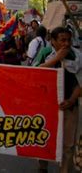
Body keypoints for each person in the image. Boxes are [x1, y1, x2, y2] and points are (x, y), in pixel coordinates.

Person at [33, 27, 81, 173]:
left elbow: (80, 82)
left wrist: (71, 100)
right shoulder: (45, 53)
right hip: (46, 105)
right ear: (53, 41)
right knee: (44, 137)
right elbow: (35, 73)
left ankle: (64, 169)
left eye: (68, 40)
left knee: (68, 143)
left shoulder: (77, 56)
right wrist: (56, 59)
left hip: (69, 106)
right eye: (62, 40)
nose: (66, 44)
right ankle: (43, 167)